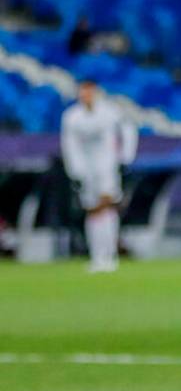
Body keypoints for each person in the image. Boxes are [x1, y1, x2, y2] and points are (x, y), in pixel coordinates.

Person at [61, 79, 137, 273]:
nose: (85, 95)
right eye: (83, 92)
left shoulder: (110, 112)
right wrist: (74, 170)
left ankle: (110, 255)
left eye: (89, 91)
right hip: (86, 170)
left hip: (107, 167)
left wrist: (126, 156)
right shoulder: (72, 117)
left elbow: (128, 129)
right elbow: (69, 146)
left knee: (107, 207)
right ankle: (97, 256)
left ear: (95, 92)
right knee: (92, 210)